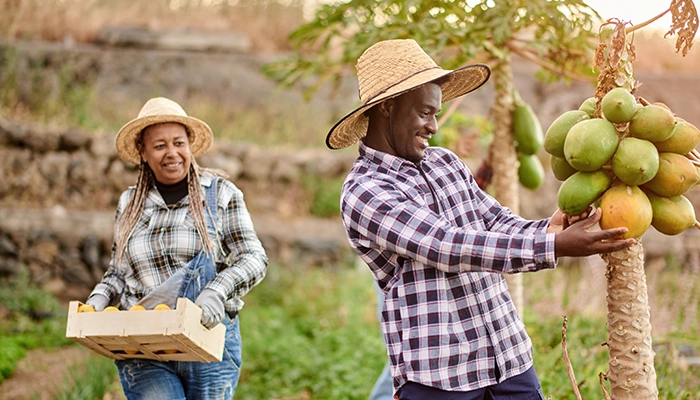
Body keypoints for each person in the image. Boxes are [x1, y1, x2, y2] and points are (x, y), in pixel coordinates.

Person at [329, 39, 634, 400]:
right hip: (440, 377)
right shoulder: (365, 191)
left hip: (509, 360)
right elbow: (446, 245)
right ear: (389, 107)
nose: (433, 126)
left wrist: (549, 227)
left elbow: (494, 221)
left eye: (436, 113)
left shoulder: (445, 162)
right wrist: (552, 246)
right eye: (424, 112)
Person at [85, 96, 268, 399]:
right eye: (159, 146)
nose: (172, 153)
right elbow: (118, 273)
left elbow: (254, 258)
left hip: (207, 343)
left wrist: (216, 291)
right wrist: (97, 301)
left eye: (178, 143)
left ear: (190, 146)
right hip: (143, 344)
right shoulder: (129, 204)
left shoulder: (220, 194)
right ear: (143, 153)